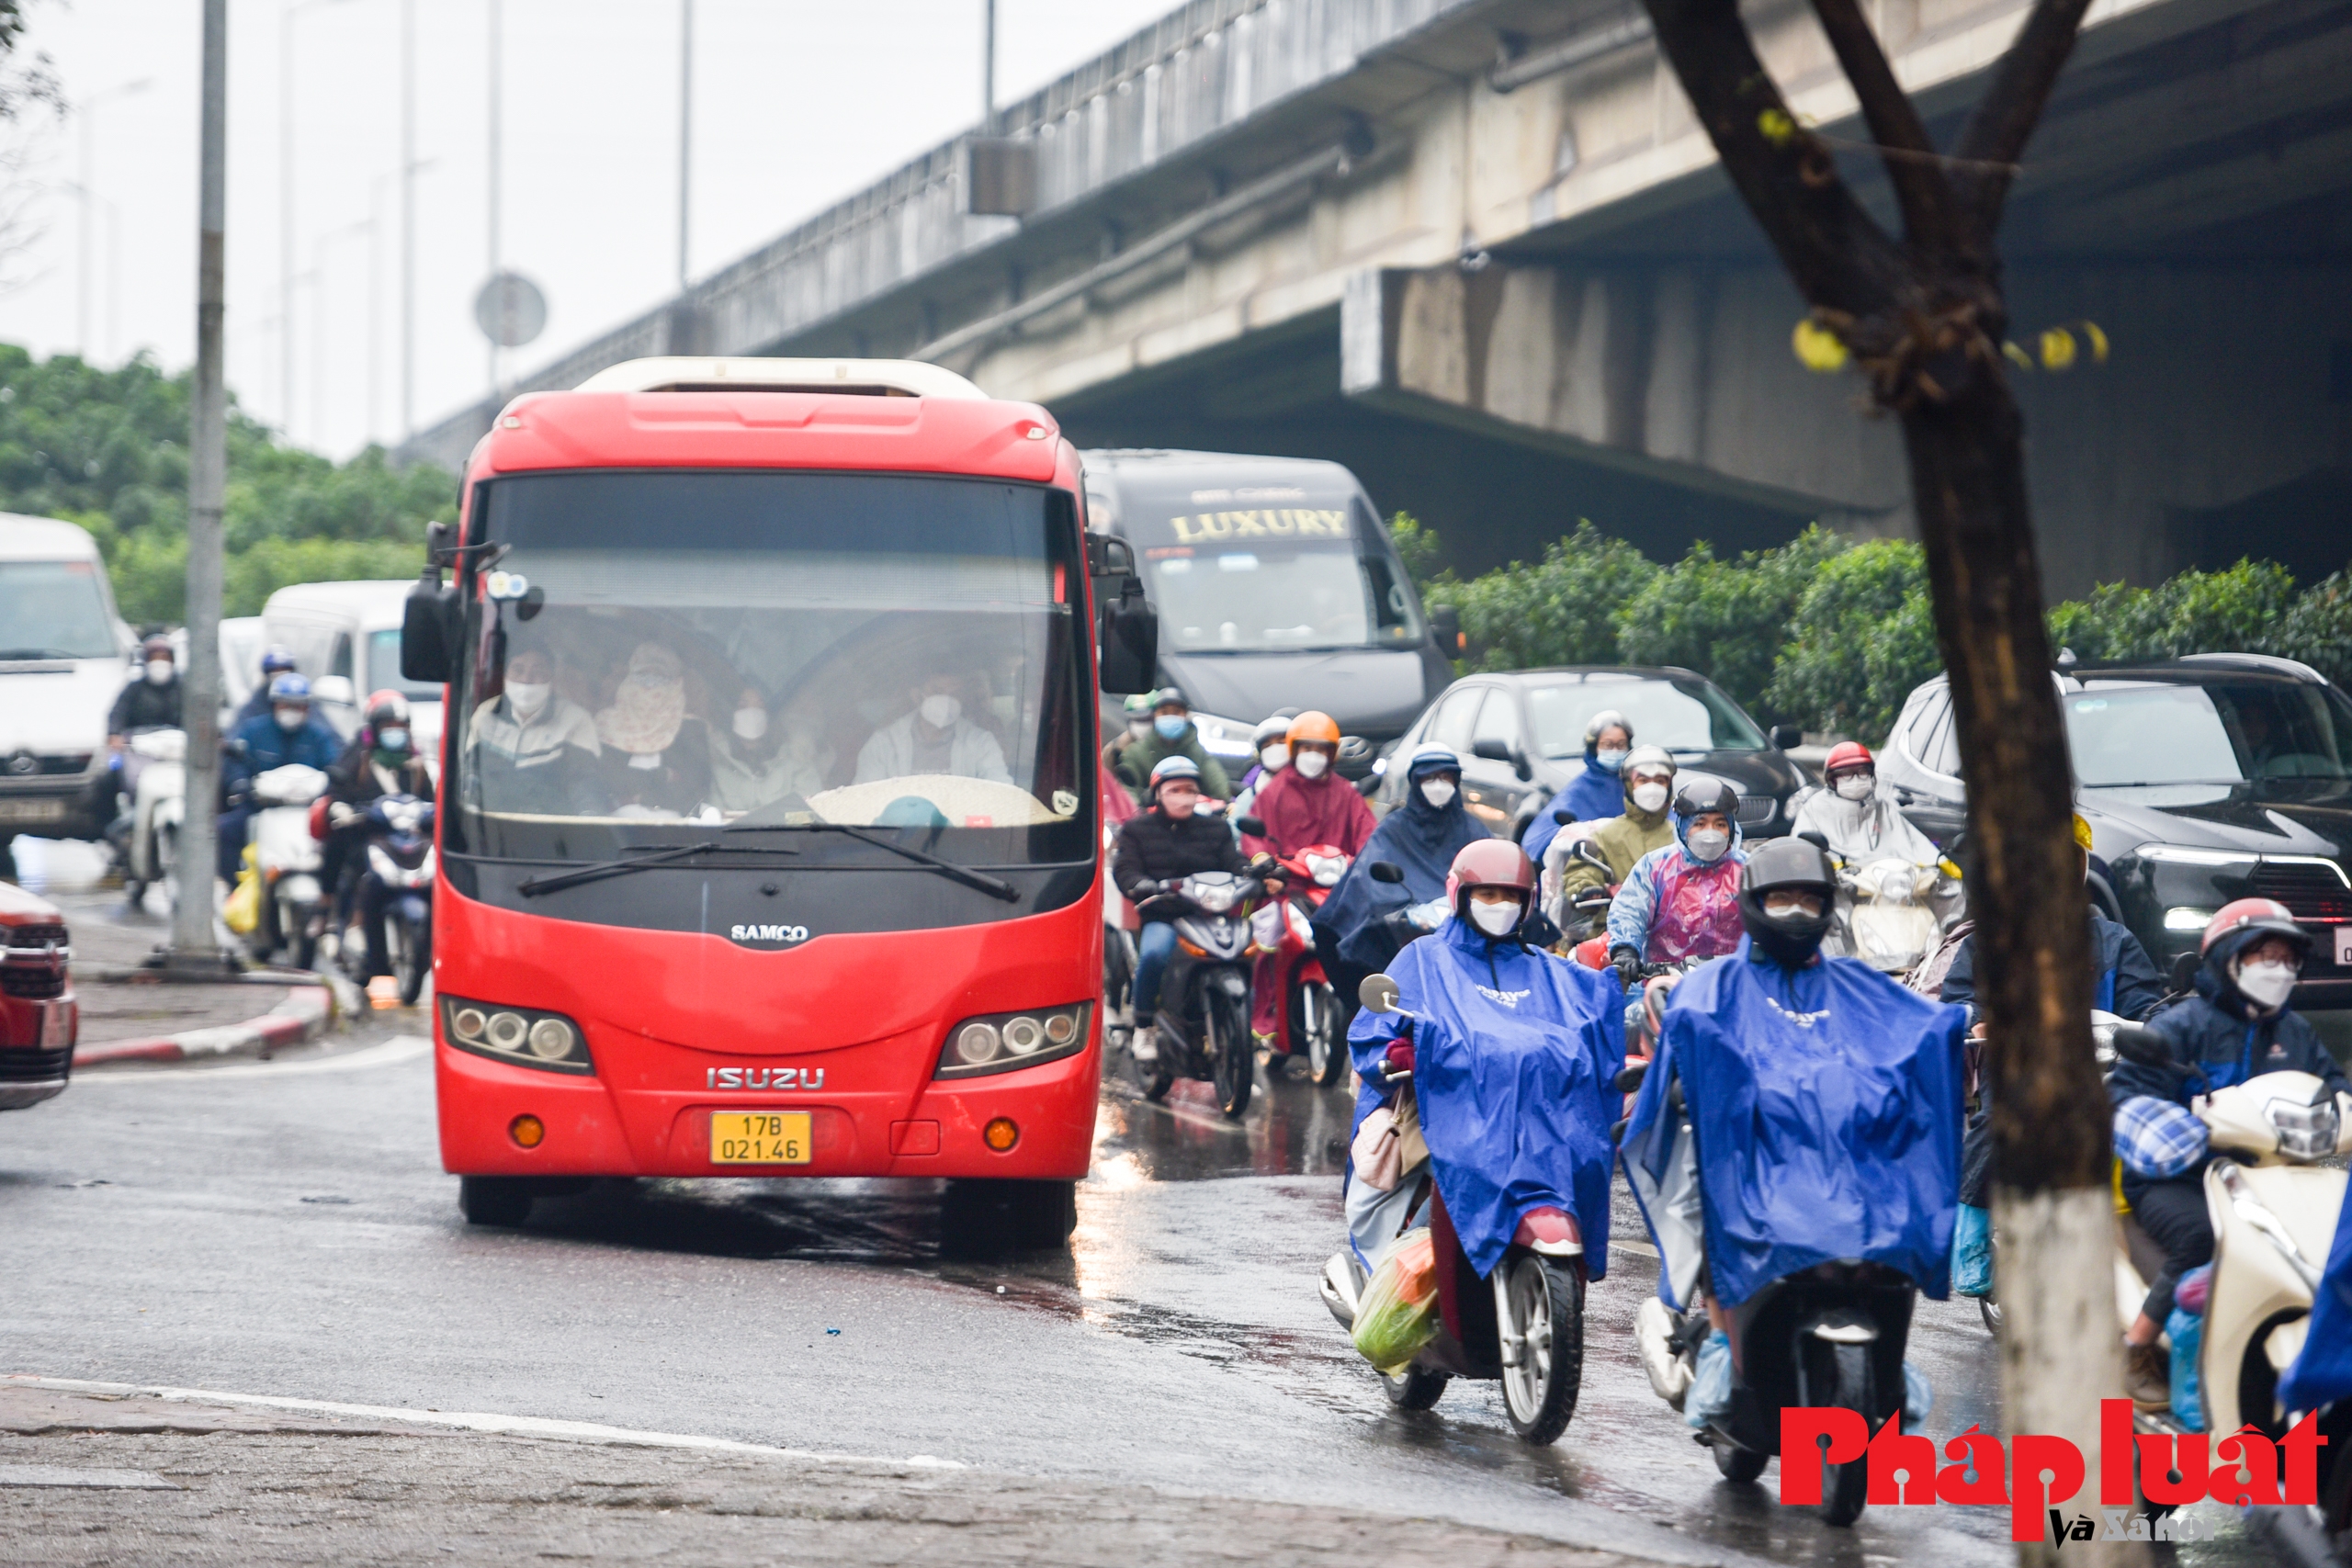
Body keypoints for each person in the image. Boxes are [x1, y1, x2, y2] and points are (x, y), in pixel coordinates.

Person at [1621, 836, 1964, 1430]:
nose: (1797, 911)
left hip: (1841, 1159)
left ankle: (1890, 1361)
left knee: (1895, 1209)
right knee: (1712, 1208)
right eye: (1782, 898)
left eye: (1810, 899)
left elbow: (1924, 1025)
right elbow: (1682, 1042)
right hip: (1749, 1160)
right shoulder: (1712, 988)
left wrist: (1978, 1026)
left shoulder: (1859, 984)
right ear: (1754, 903)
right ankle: (1723, 1345)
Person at [1340, 840, 1624, 1279]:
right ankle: (1400, 1279)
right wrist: (1392, 1053)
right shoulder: (1423, 958)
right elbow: (1372, 1031)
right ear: (1461, 896)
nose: (1500, 905)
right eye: (1488, 895)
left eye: (1511, 896)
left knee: (1586, 1156)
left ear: (1528, 903)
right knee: (1453, 1180)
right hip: (1450, 1113)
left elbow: (1599, 1017)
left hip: (1544, 1122)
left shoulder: (1551, 972)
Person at [2108, 898, 2351, 1407]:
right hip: (2178, 1179)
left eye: (2288, 959)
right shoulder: (2183, 1025)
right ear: (2229, 958)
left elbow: (2333, 1088)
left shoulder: (2295, 1031)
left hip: (2276, 1176)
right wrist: (2183, 1130)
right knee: (2202, 1238)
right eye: (2266, 955)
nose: (2278, 969)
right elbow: (2127, 1094)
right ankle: (2139, 1345)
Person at [1309, 746, 1487, 1020]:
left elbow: (1492, 867)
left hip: (1466, 929)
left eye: (1446, 777)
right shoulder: (1393, 830)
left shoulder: (1473, 829)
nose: (1438, 785)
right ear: (1415, 782)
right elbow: (1369, 876)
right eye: (1429, 778)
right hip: (1408, 930)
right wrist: (1395, 906)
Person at [1110, 756, 1259, 1066]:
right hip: (1164, 915)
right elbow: (1126, 871)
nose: (1184, 796)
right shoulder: (1137, 830)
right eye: (1175, 789)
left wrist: (1252, 872)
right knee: (1153, 956)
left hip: (1209, 915)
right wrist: (1143, 884)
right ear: (1157, 794)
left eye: (1190, 789)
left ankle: (1244, 1029)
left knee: (1246, 953)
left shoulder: (1215, 829)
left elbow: (1233, 862)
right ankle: (1144, 1025)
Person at [325, 691, 435, 979]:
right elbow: (336, 793)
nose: (395, 733)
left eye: (400, 727)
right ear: (374, 729)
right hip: (370, 842)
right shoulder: (357, 760)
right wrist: (342, 811)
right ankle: (347, 925)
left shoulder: (418, 765)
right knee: (363, 880)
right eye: (388, 727)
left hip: (412, 845)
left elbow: (432, 802)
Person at [1604, 779, 1747, 987]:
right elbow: (1630, 910)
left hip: (1734, 985)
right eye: (1699, 824)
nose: (1710, 833)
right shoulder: (1655, 867)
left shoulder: (1748, 870)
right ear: (1682, 826)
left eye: (1720, 824)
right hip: (1665, 984)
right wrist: (1626, 951)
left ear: (1732, 828)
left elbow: (1767, 918)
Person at [219, 672, 342, 881]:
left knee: (341, 836)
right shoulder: (254, 730)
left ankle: (328, 893)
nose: (291, 711)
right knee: (225, 830)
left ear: (307, 709)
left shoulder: (319, 735)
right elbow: (236, 760)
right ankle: (235, 887)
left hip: (309, 809)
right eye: (285, 705)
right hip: (262, 805)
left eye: (298, 706)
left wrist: (337, 783)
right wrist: (239, 783)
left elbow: (336, 762)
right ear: (274, 705)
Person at [464, 643, 604, 816]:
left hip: (551, 828)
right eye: (518, 669)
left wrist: (589, 817)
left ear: (551, 678)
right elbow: (471, 778)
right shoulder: (487, 715)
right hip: (493, 829)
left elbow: (584, 783)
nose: (526, 679)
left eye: (537, 671)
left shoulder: (575, 719)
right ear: (505, 676)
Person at [1551, 745, 1678, 920]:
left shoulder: (1682, 837)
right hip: (1614, 928)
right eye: (1643, 781)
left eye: (1660, 781)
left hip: (1676, 930)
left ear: (1669, 785)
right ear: (1629, 785)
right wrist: (1587, 888)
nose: (1652, 787)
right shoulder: (1606, 836)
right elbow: (1584, 869)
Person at [596, 641, 715, 817]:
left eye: (658, 677)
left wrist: (640, 798)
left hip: (675, 829)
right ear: (628, 681)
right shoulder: (606, 724)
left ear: (674, 684)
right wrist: (664, 775)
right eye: (642, 676)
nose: (648, 686)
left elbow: (694, 786)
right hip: (616, 829)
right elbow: (607, 779)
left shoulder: (691, 728)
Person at [1240, 711, 1374, 861]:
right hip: (1286, 877)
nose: (1313, 756)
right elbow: (1252, 835)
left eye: (1321, 749)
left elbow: (1368, 833)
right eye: (1307, 748)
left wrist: (1366, 863)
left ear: (1331, 754)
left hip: (1337, 874)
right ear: (1295, 750)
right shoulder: (1274, 791)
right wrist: (1260, 858)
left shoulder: (1346, 793)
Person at [1789, 741, 1943, 866]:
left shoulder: (1881, 807)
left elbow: (1912, 841)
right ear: (1832, 779)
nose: (1856, 779)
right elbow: (1800, 854)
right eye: (1847, 774)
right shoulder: (1815, 808)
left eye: (1862, 772)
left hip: (1886, 884)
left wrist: (1938, 861)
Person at [854, 670, 1012, 787]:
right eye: (938, 691)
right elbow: (865, 799)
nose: (947, 700)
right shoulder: (884, 743)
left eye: (955, 693)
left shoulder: (981, 743)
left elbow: (1000, 791)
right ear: (917, 696)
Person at [102, 635, 185, 849]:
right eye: (154, 657)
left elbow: (199, 715)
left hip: (177, 749)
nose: (159, 662)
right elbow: (117, 713)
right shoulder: (134, 689)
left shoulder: (184, 687)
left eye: (164, 657)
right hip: (140, 747)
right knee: (111, 779)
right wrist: (115, 735)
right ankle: (118, 828)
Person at [1521, 709, 1633, 868]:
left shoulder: (1635, 785)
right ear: (1594, 747)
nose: (1615, 751)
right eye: (1608, 745)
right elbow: (1537, 840)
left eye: (1621, 745)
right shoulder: (1577, 790)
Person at [710, 685, 831, 812]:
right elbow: (713, 819)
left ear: (770, 714)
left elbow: (810, 815)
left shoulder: (797, 761)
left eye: (760, 706)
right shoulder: (719, 765)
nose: (751, 713)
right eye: (743, 706)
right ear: (731, 713)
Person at [1111, 687, 1230, 802]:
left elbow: (1219, 788)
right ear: (1155, 716)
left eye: (1176, 713)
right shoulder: (1136, 753)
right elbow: (1128, 793)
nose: (1170, 717)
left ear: (1186, 716)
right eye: (1164, 713)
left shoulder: (1198, 754)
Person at [1230, 707, 1301, 818]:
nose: (1275, 748)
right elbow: (1235, 828)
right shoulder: (1253, 793)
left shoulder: (1312, 783)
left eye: (1281, 742)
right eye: (1267, 745)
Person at [232, 646, 300, 728]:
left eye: (285, 669)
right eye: (275, 671)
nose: (280, 674)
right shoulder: (257, 702)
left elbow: (318, 727)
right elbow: (238, 731)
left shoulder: (303, 696)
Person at [1102, 692, 1157, 776]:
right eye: (1136, 719)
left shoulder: (1170, 743)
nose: (1142, 724)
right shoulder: (1115, 750)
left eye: (1147, 719)